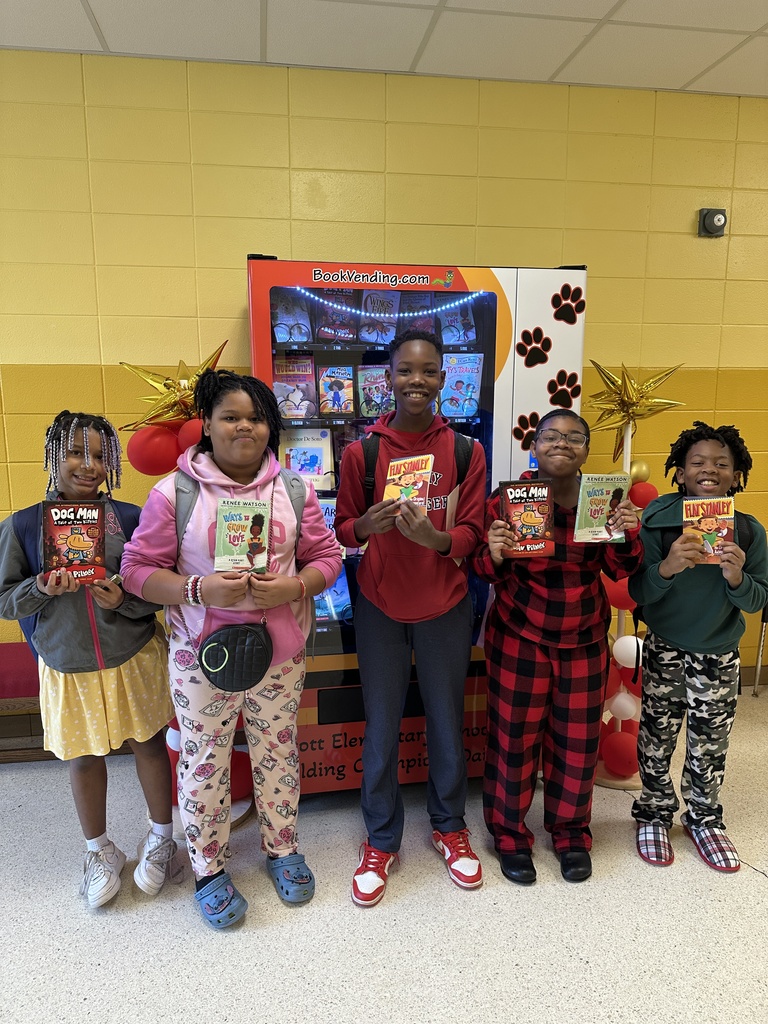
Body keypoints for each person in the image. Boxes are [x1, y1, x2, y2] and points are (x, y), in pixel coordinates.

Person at [121, 370, 341, 928]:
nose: (245, 426)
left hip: (280, 653)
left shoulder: (295, 490)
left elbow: (328, 557)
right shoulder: (175, 492)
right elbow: (136, 572)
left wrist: (296, 587)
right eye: (230, 416)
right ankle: (208, 868)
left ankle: (283, 849)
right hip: (202, 657)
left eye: (256, 416)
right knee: (203, 762)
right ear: (208, 425)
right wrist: (198, 588)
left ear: (271, 426)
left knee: (277, 753)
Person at [0, 411, 178, 909]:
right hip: (66, 661)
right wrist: (38, 587)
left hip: (134, 655)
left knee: (149, 744)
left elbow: (160, 590)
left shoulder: (131, 518)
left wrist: (122, 599)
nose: (88, 464)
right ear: (53, 455)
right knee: (83, 756)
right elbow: (3, 599)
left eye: (100, 455)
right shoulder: (23, 526)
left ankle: (162, 836)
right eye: (76, 451)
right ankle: (97, 849)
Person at [334, 328, 487, 907]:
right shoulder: (361, 453)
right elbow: (343, 527)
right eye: (404, 371)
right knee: (383, 722)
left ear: (444, 379)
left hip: (446, 602)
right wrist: (366, 528)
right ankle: (380, 839)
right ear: (388, 378)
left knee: (446, 719)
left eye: (427, 371)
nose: (415, 381)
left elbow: (472, 534)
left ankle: (450, 828)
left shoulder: (465, 452)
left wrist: (436, 537)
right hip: (379, 605)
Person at [469, 410, 642, 885]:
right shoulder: (510, 500)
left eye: (574, 437)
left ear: (586, 449)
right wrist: (496, 551)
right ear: (534, 444)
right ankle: (508, 836)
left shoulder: (602, 499)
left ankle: (569, 834)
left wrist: (627, 531)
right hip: (519, 638)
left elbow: (620, 567)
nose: (562, 443)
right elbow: (483, 568)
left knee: (577, 743)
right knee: (512, 742)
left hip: (583, 640)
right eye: (551, 435)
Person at [629, 422, 768, 872]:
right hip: (665, 647)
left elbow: (759, 599)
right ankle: (652, 811)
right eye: (698, 463)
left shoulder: (748, 531)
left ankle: (705, 819)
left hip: (720, 652)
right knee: (656, 736)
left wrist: (736, 577)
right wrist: (667, 568)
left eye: (721, 464)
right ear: (681, 473)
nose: (710, 470)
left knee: (709, 742)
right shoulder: (658, 520)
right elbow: (639, 592)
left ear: (736, 475)